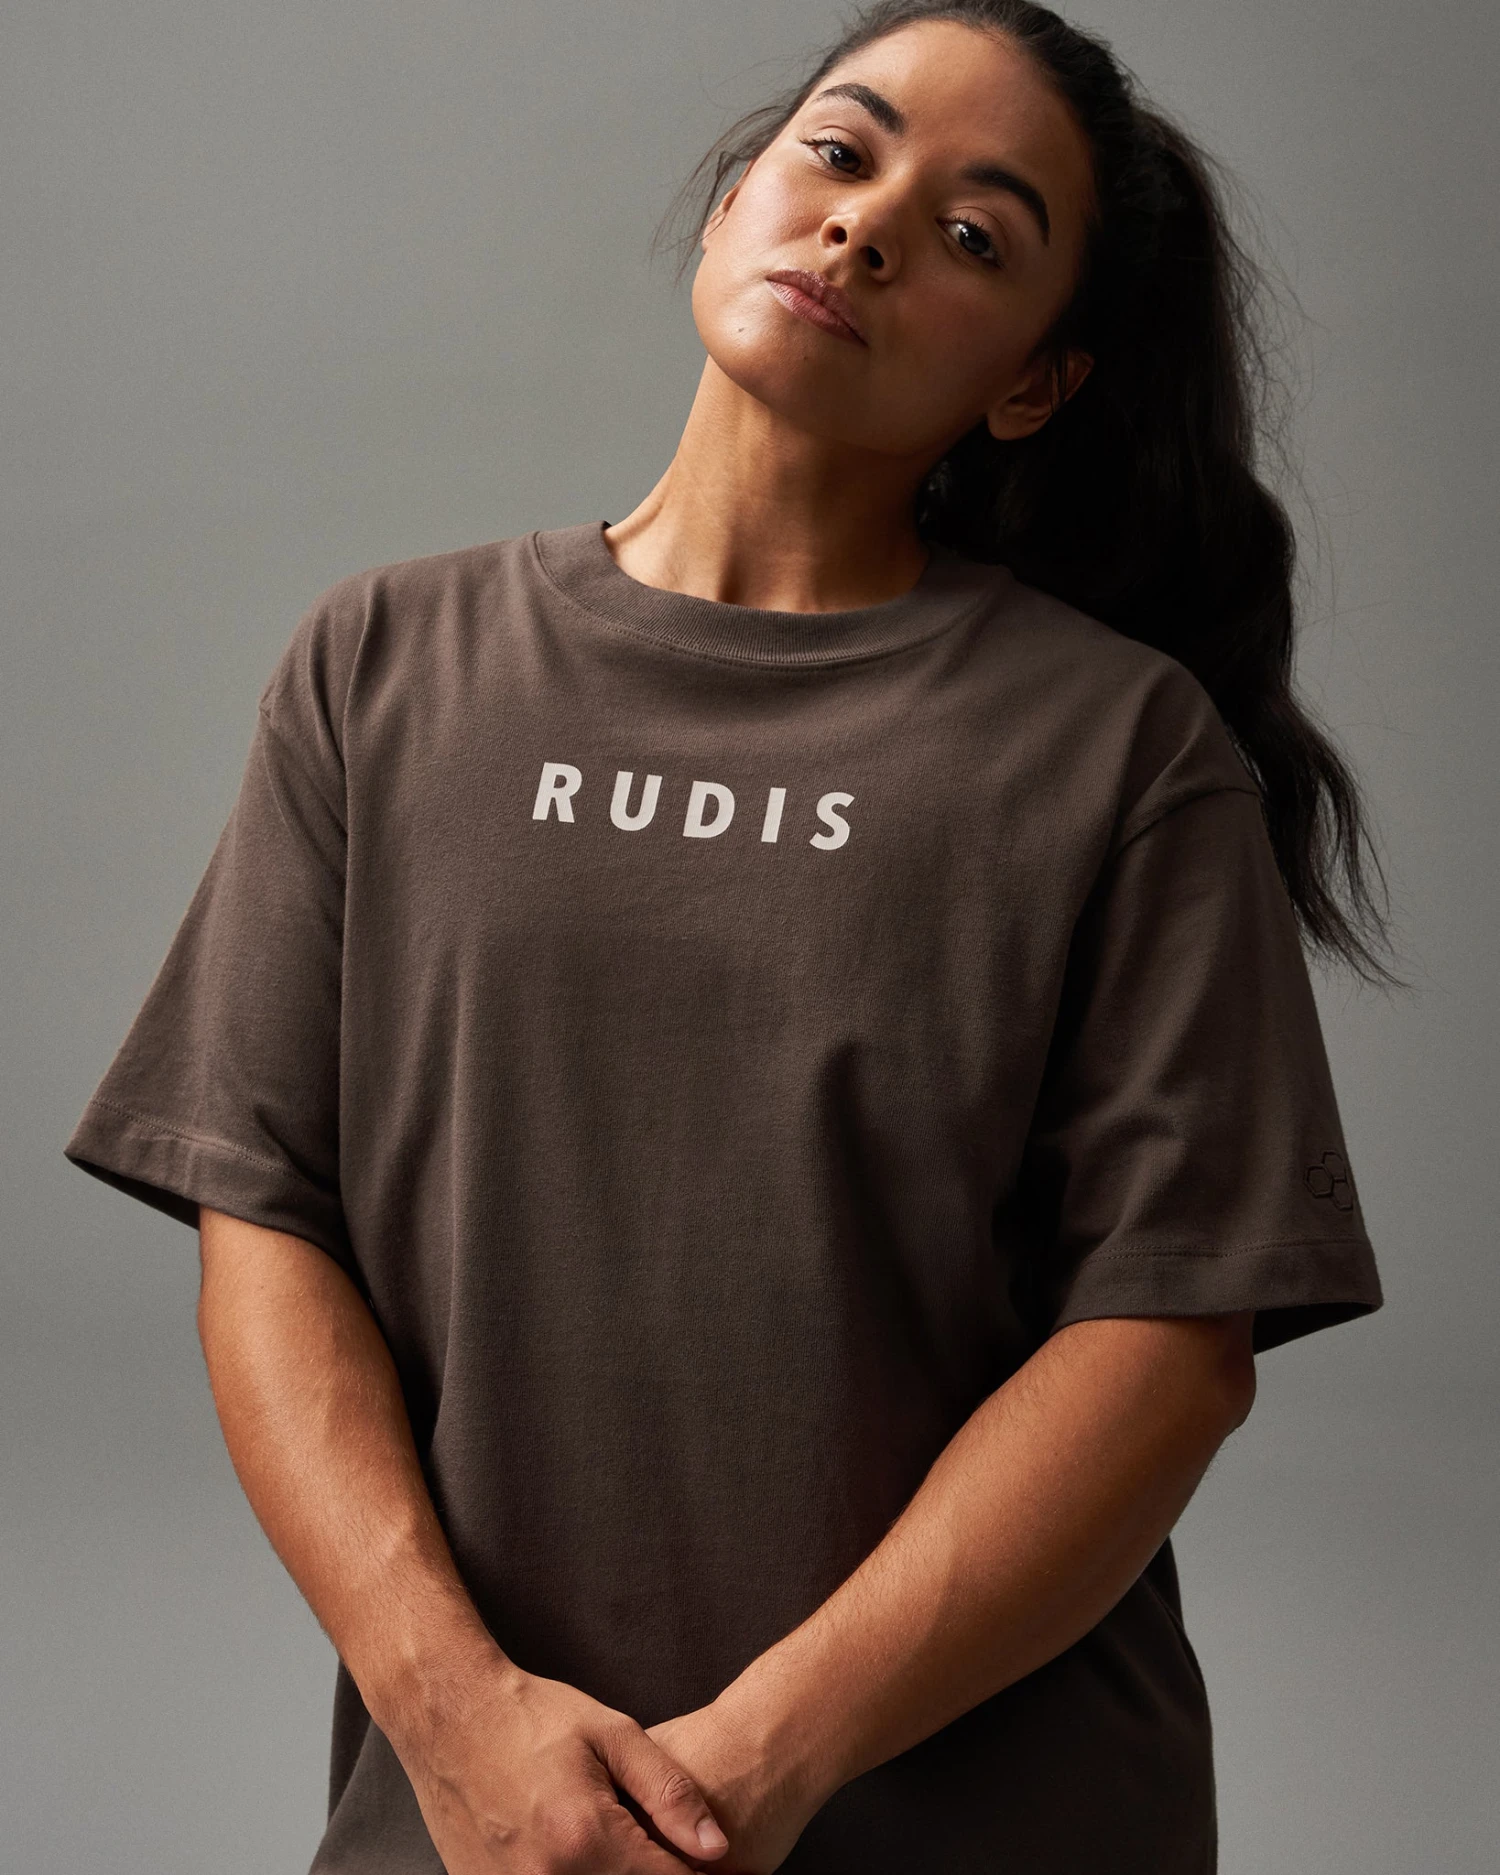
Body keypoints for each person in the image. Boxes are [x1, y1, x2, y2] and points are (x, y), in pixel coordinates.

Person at [62, 3, 1393, 1870]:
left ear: (1033, 382)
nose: (867, 227)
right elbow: (265, 1224)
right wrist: (457, 1719)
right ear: (732, 199)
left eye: (972, 234)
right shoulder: (382, 669)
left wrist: (743, 1777)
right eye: (841, 153)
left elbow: (1170, 1344)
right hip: (480, 1823)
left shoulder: (1121, 754)